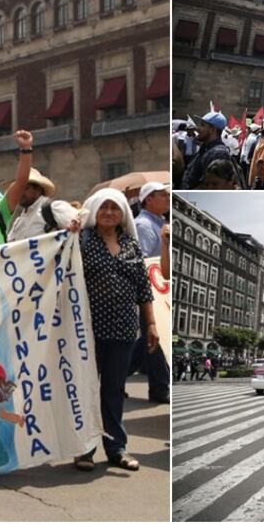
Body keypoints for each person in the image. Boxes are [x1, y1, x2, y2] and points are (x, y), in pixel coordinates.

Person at [73, 189, 159, 472]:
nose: (109, 212)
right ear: (95, 211)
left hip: (123, 329)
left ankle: (116, 448)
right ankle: (84, 449)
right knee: (87, 388)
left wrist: (151, 325)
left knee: (114, 388)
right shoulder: (81, 241)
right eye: (104, 207)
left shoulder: (131, 245)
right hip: (88, 329)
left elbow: (143, 290)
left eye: (115, 208)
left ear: (123, 214)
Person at [131, 181, 171, 404]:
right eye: (162, 195)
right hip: (151, 292)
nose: (167, 198)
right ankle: (159, 387)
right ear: (148, 199)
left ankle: (115, 374)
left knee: (149, 339)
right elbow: (144, 261)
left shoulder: (160, 222)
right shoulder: (144, 225)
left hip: (160, 291)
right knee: (154, 339)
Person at [183, 112, 239, 189]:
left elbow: (213, 186)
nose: (198, 128)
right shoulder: (206, 149)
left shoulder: (218, 154)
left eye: (202, 125)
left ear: (213, 129)